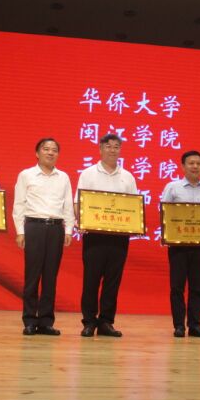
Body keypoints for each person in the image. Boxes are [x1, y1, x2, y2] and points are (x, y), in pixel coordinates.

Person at [75, 133, 139, 338]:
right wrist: (81, 222)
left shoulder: (128, 176)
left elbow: (134, 207)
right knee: (91, 280)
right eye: (109, 146)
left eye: (116, 147)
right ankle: (89, 322)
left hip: (119, 237)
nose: (113, 150)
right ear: (100, 149)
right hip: (94, 236)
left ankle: (106, 322)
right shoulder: (88, 173)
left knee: (113, 281)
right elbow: (78, 202)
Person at [12, 137, 74, 336]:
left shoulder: (63, 177)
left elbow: (68, 205)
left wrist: (68, 230)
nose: (50, 152)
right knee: (32, 276)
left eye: (54, 150)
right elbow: (19, 205)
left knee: (50, 277)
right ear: (37, 153)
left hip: (56, 229)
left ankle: (46, 321)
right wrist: (20, 232)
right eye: (46, 149)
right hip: (34, 227)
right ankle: (30, 320)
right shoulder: (26, 175)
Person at [160, 150, 200, 338]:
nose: (195, 166)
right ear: (183, 166)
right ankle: (179, 325)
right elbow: (165, 212)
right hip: (178, 246)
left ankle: (195, 325)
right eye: (191, 163)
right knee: (177, 287)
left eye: (198, 163)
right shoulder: (173, 187)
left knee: (197, 288)